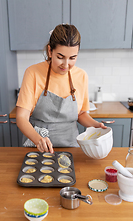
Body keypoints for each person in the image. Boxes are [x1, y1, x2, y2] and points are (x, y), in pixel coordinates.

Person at [16, 24, 106, 153]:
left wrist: (95, 125)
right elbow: (21, 117)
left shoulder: (81, 76)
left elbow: (80, 114)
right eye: (60, 57)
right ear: (50, 51)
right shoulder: (33, 73)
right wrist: (38, 139)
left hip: (70, 146)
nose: (66, 64)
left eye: (72, 58)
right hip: (37, 147)